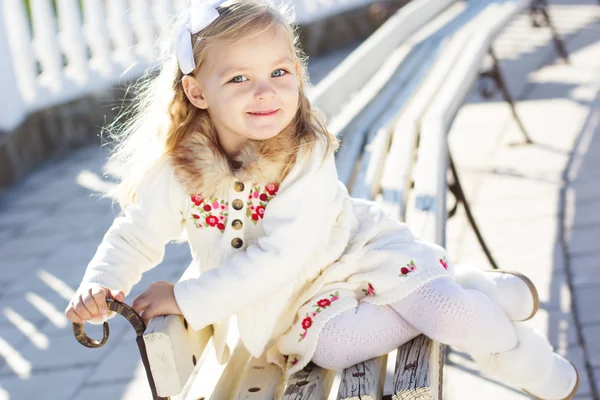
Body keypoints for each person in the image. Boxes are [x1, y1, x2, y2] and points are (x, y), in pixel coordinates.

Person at [64, 0, 579, 398]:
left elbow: (280, 256)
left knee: (450, 317)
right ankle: (470, 286)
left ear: (297, 72)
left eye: (279, 73)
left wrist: (186, 299)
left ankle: (521, 356)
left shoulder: (303, 154)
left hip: (352, 256)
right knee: (333, 348)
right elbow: (136, 232)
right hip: (295, 310)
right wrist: (100, 285)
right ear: (198, 93)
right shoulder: (180, 169)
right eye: (239, 78)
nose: (264, 92)